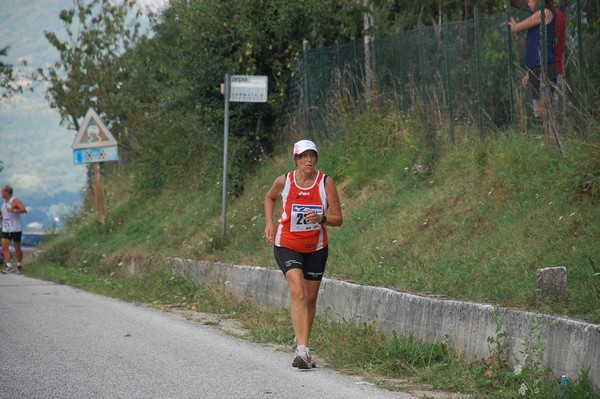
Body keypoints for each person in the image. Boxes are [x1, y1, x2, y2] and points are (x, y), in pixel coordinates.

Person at [264, 140, 343, 369]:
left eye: (312, 156)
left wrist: (322, 218)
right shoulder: (284, 181)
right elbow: (269, 197)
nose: (308, 160)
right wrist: (269, 223)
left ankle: (305, 349)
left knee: (310, 299)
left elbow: (339, 218)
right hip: (287, 243)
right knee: (297, 291)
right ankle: (302, 349)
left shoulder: (325, 183)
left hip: (316, 248)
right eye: (303, 156)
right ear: (295, 159)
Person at [508, 0, 557, 120]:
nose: (528, 4)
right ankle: (547, 137)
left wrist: (514, 26)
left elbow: (518, 26)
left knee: (546, 113)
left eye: (530, 0)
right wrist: (529, 72)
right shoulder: (536, 21)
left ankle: (552, 137)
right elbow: (530, 46)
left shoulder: (544, 13)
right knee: (540, 114)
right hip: (535, 68)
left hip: (544, 67)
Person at [1, 185, 27, 274]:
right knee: (4, 247)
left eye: (2, 192)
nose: (1, 193)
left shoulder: (15, 200)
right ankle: (9, 265)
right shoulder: (4, 203)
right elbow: (4, 216)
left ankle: (19, 264)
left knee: (17, 247)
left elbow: (24, 210)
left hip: (15, 228)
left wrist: (14, 210)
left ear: (7, 192)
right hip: (6, 228)